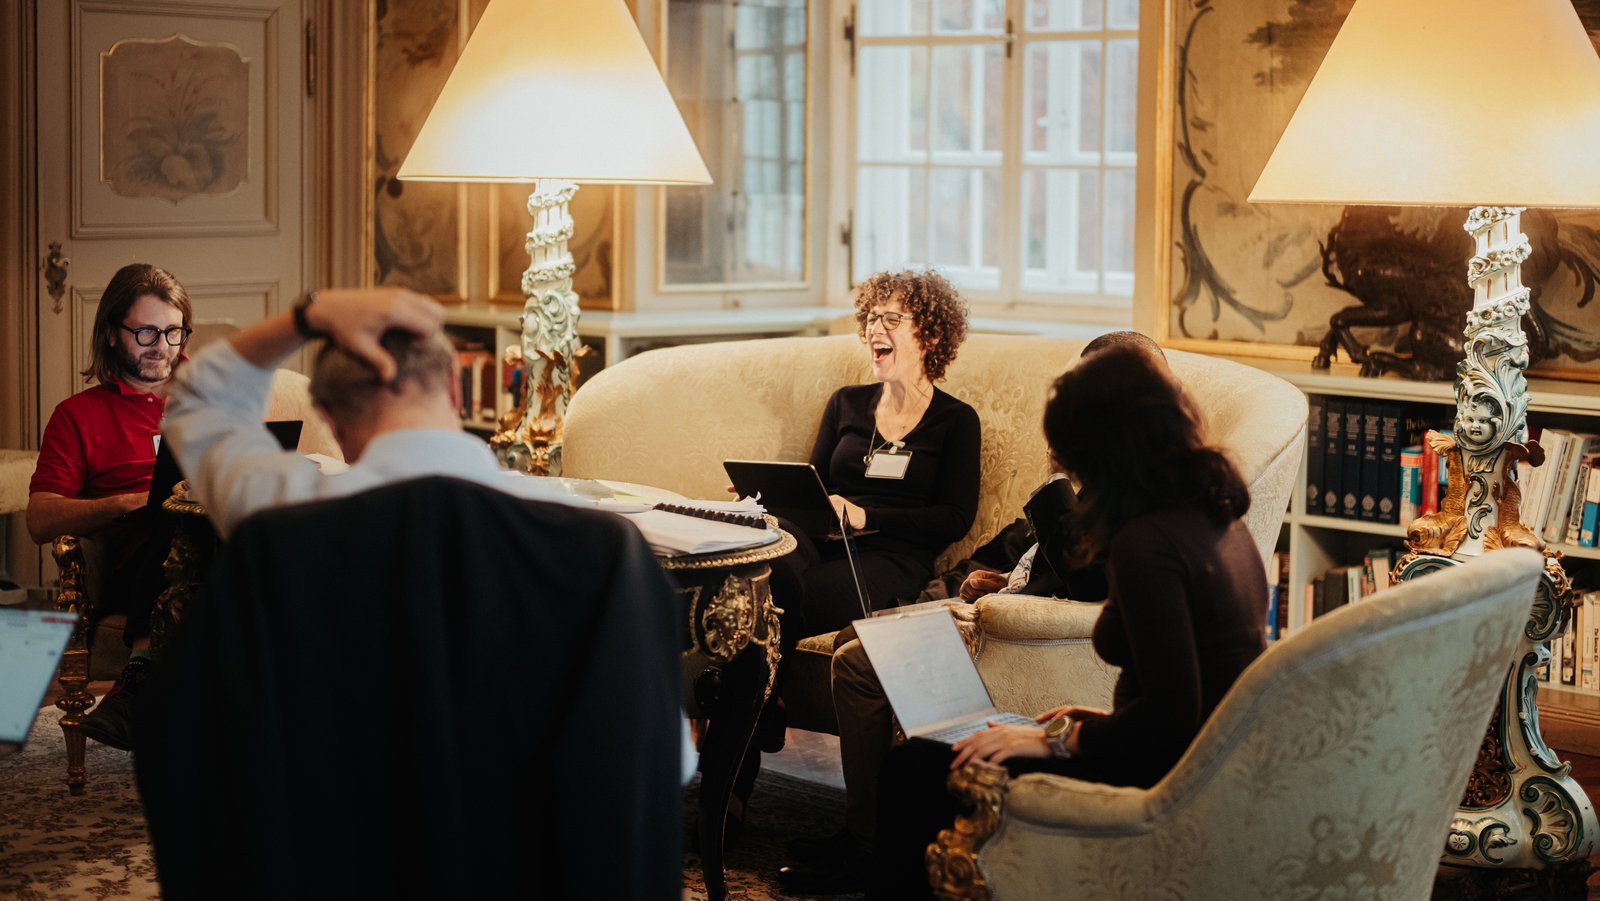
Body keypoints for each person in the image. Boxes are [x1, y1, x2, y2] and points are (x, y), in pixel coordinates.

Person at [868, 343, 1268, 898]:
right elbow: (1187, 689)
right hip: (1206, 762)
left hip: (1159, 776)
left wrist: (1064, 742)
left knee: (914, 768)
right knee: (972, 743)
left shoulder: (1147, 542)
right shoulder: (1217, 516)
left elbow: (1171, 716)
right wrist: (1088, 719)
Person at [778, 330, 1161, 894]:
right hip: (993, 600)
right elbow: (1039, 551)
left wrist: (1058, 480)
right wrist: (992, 579)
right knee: (851, 641)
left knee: (860, 662)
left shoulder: (1126, 490)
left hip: (1011, 629)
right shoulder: (1114, 478)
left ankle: (867, 842)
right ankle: (867, 831)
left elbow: (1086, 578)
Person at [26, 263, 194, 749]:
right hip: (140, 558)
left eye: (173, 331)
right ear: (112, 335)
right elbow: (40, 518)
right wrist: (125, 502)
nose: (162, 345)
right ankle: (137, 674)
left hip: (223, 545)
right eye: (145, 332)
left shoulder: (216, 399)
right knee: (171, 508)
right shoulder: (78, 415)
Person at [773, 269, 982, 639]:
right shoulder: (845, 402)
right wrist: (773, 496)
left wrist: (866, 515)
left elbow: (954, 518)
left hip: (893, 558)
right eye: (871, 318)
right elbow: (816, 485)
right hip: (824, 541)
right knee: (762, 558)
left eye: (892, 319)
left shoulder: (956, 420)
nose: (875, 329)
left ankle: (767, 696)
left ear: (931, 335)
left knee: (803, 595)